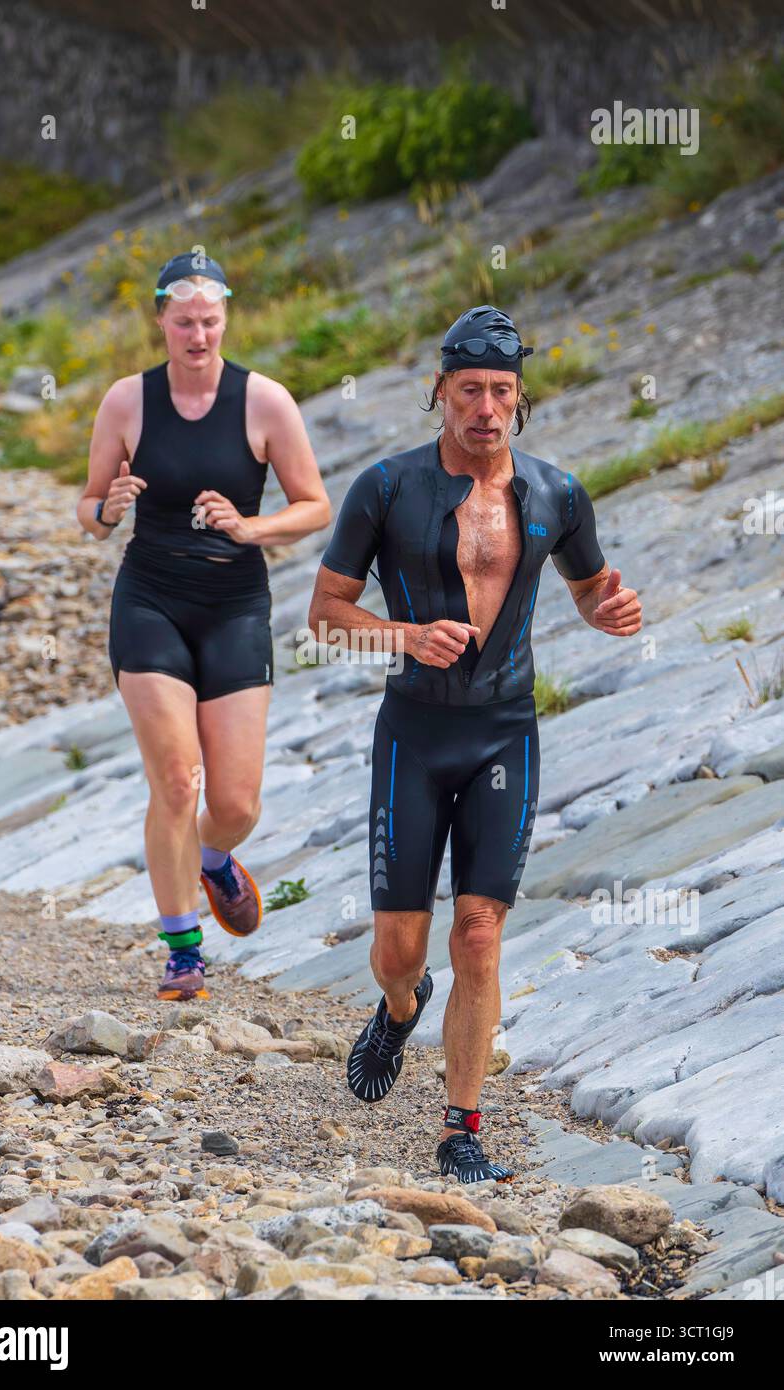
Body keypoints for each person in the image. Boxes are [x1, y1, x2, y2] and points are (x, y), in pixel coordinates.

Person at [308, 305, 642, 1183]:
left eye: (500, 391)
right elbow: (324, 615)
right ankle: (398, 1003)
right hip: (411, 735)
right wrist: (405, 636)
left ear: (520, 397)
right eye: (468, 391)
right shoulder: (384, 488)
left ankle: (462, 1129)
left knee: (481, 930)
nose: (485, 408)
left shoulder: (557, 493)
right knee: (400, 950)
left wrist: (609, 611)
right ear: (439, 392)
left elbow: (589, 589)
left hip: (503, 731)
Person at [77, 250, 330, 1000]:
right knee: (178, 779)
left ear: (225, 320)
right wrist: (108, 509)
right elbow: (87, 508)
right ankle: (183, 950)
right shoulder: (127, 402)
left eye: (210, 322)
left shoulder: (265, 402)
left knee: (236, 804)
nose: (198, 335)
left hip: (234, 606)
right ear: (161, 319)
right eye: (184, 321)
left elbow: (314, 505)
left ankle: (214, 859)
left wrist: (251, 528)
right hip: (150, 600)